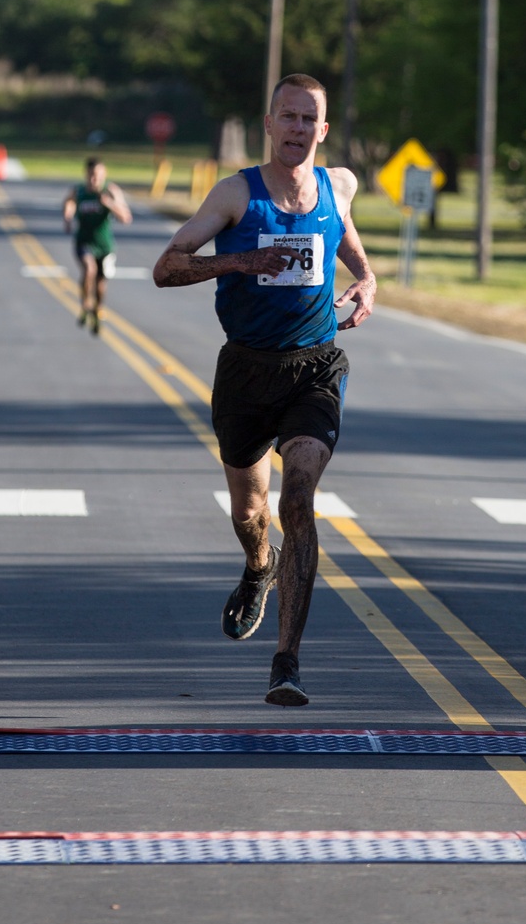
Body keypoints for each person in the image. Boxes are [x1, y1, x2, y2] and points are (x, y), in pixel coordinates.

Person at [153, 74, 376, 707]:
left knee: (299, 495)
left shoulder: (338, 185)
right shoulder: (235, 195)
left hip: (316, 364)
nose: (298, 129)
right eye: (289, 117)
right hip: (246, 371)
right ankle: (259, 566)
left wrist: (367, 280)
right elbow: (166, 268)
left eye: (310, 120)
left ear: (323, 130)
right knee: (251, 513)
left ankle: (287, 662)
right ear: (270, 124)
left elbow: (348, 237)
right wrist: (237, 262)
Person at [64, 157, 133, 335]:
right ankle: (86, 303)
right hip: (84, 241)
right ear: (86, 175)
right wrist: (68, 217)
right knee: (89, 269)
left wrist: (109, 204)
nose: (94, 180)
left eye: (97, 176)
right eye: (91, 176)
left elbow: (126, 218)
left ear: (104, 175)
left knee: (101, 281)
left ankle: (97, 309)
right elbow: (69, 202)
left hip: (105, 244)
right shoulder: (79, 191)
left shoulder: (111, 191)